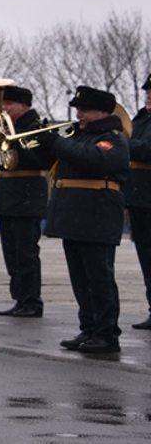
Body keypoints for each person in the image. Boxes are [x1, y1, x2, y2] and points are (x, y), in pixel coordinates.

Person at [43, 86, 130, 354]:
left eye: (84, 110)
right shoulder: (79, 137)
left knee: (99, 278)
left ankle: (106, 334)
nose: (78, 114)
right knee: (81, 279)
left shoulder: (112, 138)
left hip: (97, 216)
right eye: (77, 109)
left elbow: (94, 161)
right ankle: (89, 328)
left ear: (102, 112)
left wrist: (57, 143)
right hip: (74, 217)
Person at [0, 84, 49, 317]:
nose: (4, 108)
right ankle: (19, 298)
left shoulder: (36, 129)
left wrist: (14, 141)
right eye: (3, 104)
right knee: (11, 253)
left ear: (23, 106)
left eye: (8, 104)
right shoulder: (3, 128)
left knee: (26, 252)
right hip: (7, 194)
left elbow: (41, 159)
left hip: (27, 194)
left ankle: (32, 300)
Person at [127, 75, 151, 331]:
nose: (148, 95)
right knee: (146, 256)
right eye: (147, 92)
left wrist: (126, 144)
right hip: (139, 197)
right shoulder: (140, 119)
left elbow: (146, 150)